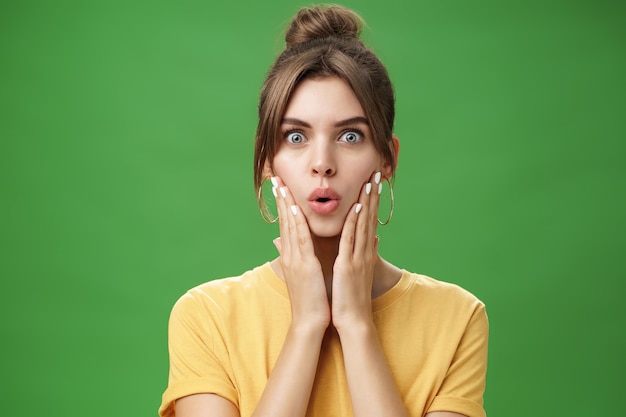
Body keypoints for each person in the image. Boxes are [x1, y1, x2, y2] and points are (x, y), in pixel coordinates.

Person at [158, 4, 488, 417]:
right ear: (265, 161)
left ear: (388, 159)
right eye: (295, 136)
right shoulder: (204, 316)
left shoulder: (456, 318)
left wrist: (356, 325)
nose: (322, 162)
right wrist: (306, 326)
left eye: (350, 135)